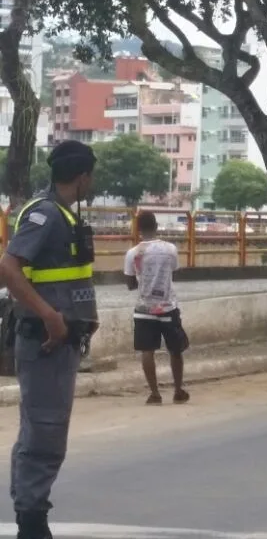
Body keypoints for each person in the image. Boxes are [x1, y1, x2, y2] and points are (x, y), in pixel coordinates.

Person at [0, 140, 99, 539]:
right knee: (44, 431)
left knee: (44, 428)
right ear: (83, 176)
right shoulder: (44, 214)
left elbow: (70, 278)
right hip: (45, 341)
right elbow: (8, 267)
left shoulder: (64, 214)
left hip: (62, 341)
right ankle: (32, 521)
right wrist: (49, 316)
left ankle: (31, 509)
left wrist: (84, 317)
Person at [124, 210, 187, 406]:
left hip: (144, 309)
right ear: (156, 227)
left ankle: (155, 393)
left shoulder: (133, 253)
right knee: (175, 350)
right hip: (168, 307)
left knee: (147, 351)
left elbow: (130, 283)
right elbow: (173, 273)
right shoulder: (170, 249)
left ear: (139, 229)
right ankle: (178, 390)